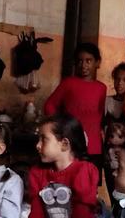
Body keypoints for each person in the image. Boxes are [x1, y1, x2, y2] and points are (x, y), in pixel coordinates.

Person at [43, 43, 108, 173]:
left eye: (88, 61)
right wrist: (60, 126)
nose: (83, 65)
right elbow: (49, 105)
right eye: (80, 61)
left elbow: (102, 115)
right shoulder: (69, 83)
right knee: (70, 179)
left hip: (95, 146)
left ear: (97, 62)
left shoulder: (102, 88)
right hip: (71, 143)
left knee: (91, 180)